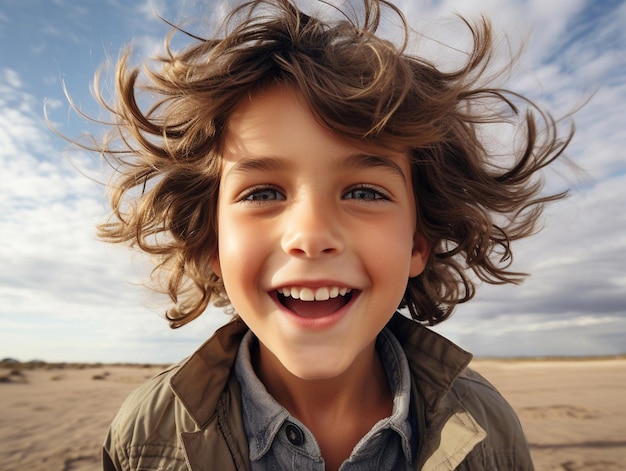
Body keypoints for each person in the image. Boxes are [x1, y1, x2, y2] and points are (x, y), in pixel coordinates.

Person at [89, 0, 573, 469]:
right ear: (213, 245)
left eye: (364, 193)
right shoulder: (145, 434)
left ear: (417, 245)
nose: (311, 235)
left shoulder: (487, 428)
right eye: (261, 194)